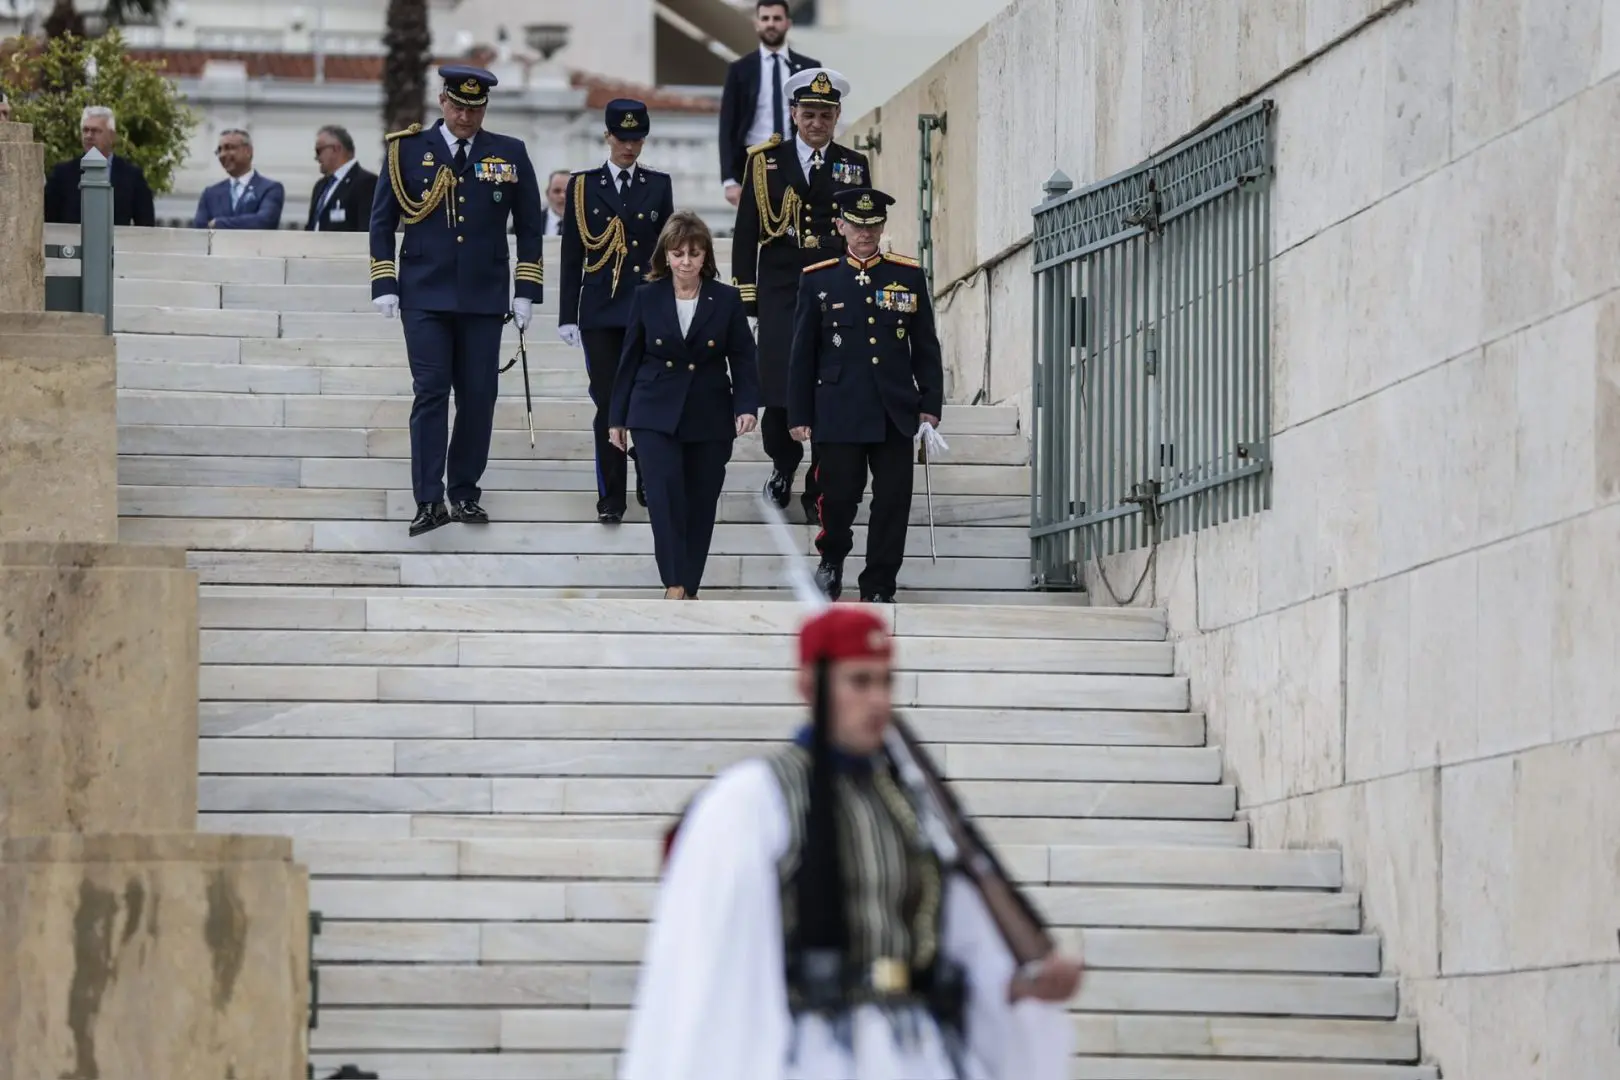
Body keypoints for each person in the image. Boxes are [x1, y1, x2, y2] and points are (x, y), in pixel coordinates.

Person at [620, 604, 1082, 1080]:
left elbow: (957, 938)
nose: (879, 700)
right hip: (812, 1053)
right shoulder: (755, 799)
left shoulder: (910, 802)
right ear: (808, 687)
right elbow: (713, 965)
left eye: (886, 682)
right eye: (860, 682)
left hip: (916, 1052)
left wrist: (1019, 986)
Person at [368, 64, 545, 537]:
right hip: (424, 293)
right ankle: (428, 499)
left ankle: (464, 492)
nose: (466, 116)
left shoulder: (509, 153)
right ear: (442, 102)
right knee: (430, 392)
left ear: (485, 107)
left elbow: (530, 227)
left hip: (484, 297)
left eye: (476, 107)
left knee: (479, 396)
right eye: (459, 106)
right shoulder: (405, 150)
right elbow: (382, 223)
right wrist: (384, 280)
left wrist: (527, 290)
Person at [788, 188, 943, 603]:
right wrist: (798, 411)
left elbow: (925, 345)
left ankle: (878, 585)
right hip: (838, 408)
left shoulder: (907, 275)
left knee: (892, 502)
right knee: (837, 497)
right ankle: (832, 560)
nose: (865, 233)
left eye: (873, 225)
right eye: (857, 225)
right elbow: (803, 353)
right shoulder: (818, 278)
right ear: (840, 226)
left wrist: (930, 404)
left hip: (894, 408)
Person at [733, 67, 871, 526]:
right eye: (808, 114)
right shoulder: (764, 162)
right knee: (777, 388)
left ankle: (819, 481)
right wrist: (746, 297)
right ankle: (783, 463)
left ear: (837, 117)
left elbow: (861, 230)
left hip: (832, 285)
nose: (817, 123)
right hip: (779, 288)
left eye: (826, 115)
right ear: (793, 114)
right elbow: (746, 233)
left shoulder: (853, 164)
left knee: (827, 386)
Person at [608, 211, 761, 600]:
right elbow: (629, 359)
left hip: (709, 412)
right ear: (666, 256)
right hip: (653, 410)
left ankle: (689, 583)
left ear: (706, 255)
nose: (686, 262)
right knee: (663, 495)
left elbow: (743, 356)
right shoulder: (646, 297)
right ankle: (674, 583)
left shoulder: (725, 298)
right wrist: (617, 418)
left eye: (694, 254)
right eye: (678, 254)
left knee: (701, 500)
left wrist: (746, 405)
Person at [558, 99, 676, 525]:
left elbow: (666, 252)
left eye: (637, 138)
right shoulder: (583, 185)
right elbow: (573, 253)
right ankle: (611, 495)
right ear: (607, 136)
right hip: (600, 309)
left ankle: (647, 471)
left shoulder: (658, 185)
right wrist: (566, 314)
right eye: (623, 138)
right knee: (608, 402)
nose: (630, 147)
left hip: (644, 308)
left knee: (644, 396)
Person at [717, 0, 819, 209]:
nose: (771, 24)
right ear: (756, 23)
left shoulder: (809, 68)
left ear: (788, 23)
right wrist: (729, 180)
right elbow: (727, 126)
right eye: (765, 19)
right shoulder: (739, 70)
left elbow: (819, 118)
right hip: (752, 159)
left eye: (777, 18)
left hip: (797, 158)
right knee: (753, 229)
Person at [43, 105, 156, 227]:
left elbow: (146, 224)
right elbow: (49, 221)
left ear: (112, 136)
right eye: (85, 130)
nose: (89, 136)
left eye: (96, 131)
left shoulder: (132, 176)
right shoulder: (62, 174)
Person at [193, 128, 285, 230]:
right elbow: (200, 228)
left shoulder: (270, 189)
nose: (222, 155)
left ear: (248, 151)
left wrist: (218, 223)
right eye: (219, 150)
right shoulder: (210, 194)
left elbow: (264, 221)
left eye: (229, 148)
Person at [306, 124, 377, 232]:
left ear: (336, 148)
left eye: (319, 150)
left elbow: (366, 231)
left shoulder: (366, 182)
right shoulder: (320, 186)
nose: (317, 157)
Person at [542, 169, 569, 235]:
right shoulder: (528, 223)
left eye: (568, 191)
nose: (562, 196)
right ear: (547, 194)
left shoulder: (587, 224)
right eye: (557, 191)